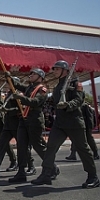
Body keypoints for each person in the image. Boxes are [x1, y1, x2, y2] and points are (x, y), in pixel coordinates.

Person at [31, 60, 99, 188]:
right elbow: (54, 101)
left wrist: (68, 105)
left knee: (83, 150)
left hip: (74, 122)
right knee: (51, 147)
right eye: (54, 69)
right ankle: (47, 174)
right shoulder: (58, 86)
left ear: (65, 70)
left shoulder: (75, 83)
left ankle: (93, 177)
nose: (54, 71)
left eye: (57, 69)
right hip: (60, 123)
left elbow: (79, 99)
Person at [7, 68, 59, 183]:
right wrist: (9, 77)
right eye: (30, 73)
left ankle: (52, 168)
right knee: (21, 146)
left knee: (38, 145)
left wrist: (21, 98)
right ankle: (21, 172)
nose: (30, 75)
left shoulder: (42, 89)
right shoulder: (29, 88)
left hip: (35, 119)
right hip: (24, 119)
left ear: (40, 77)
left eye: (33, 74)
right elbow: (18, 85)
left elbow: (36, 102)